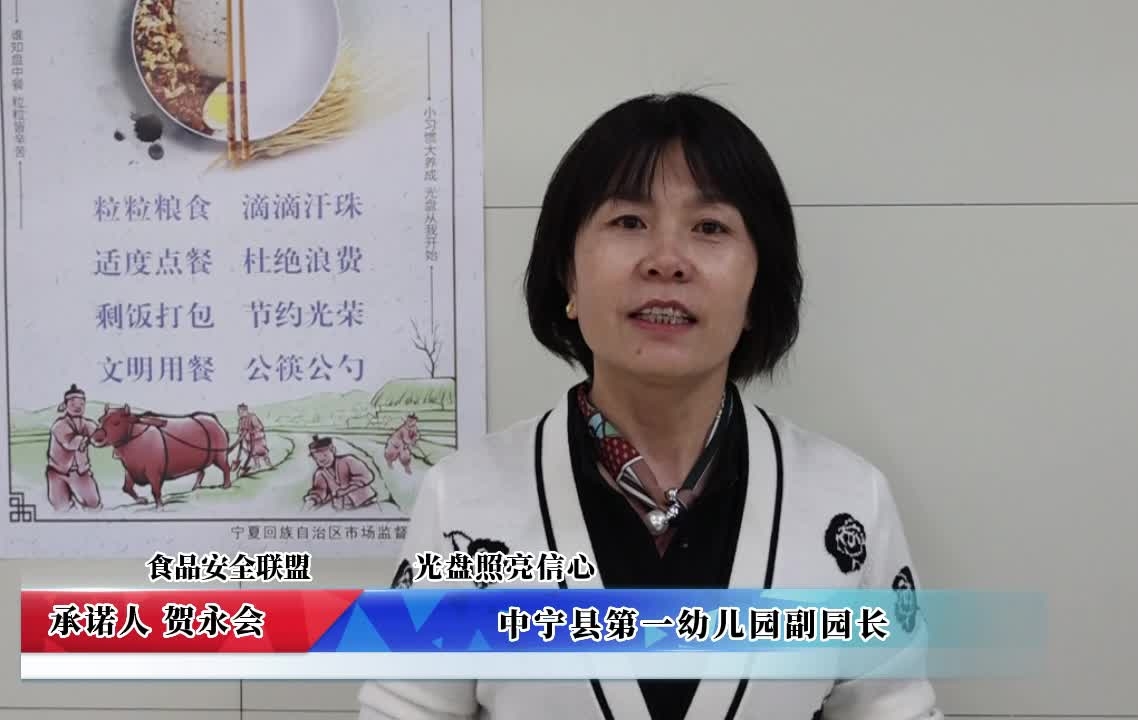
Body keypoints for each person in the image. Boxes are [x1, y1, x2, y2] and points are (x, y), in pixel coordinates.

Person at [358, 92, 942, 719]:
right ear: (568, 276)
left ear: (756, 291)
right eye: (629, 222)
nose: (667, 261)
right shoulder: (464, 504)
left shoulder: (847, 505)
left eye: (710, 227)